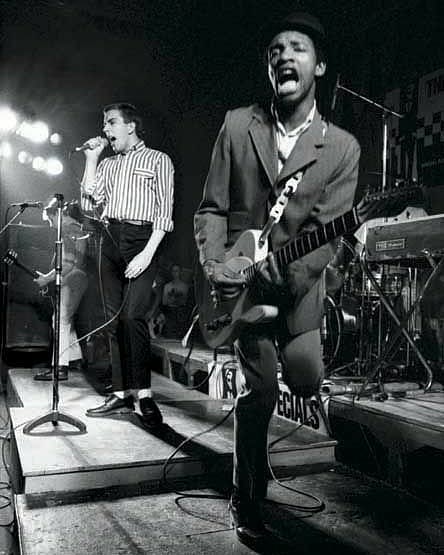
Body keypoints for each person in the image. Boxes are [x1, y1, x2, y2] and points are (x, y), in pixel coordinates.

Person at [194, 11, 360, 549]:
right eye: (275, 50)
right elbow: (212, 208)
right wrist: (218, 266)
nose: (285, 56)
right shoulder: (238, 125)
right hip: (241, 285)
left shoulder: (342, 148)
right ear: (269, 67)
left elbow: (324, 239)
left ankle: (291, 361)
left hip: (295, 286)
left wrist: (280, 281)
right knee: (260, 390)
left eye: (298, 48)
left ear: (320, 66)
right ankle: (248, 496)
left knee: (307, 381)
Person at [80, 102, 174, 428]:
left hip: (142, 238)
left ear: (131, 125)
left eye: (111, 123)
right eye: (104, 124)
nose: (105, 130)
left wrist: (148, 253)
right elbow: (88, 206)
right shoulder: (106, 164)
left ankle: (144, 394)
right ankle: (121, 394)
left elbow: (165, 212)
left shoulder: (159, 160)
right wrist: (91, 160)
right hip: (109, 238)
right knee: (112, 320)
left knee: (133, 316)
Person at [34, 201, 89, 381]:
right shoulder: (76, 226)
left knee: (60, 320)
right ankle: (73, 359)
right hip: (80, 276)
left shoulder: (66, 228)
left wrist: (46, 279)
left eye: (50, 220)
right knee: (65, 320)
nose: (50, 225)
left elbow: (68, 264)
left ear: (56, 214)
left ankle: (60, 367)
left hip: (75, 276)